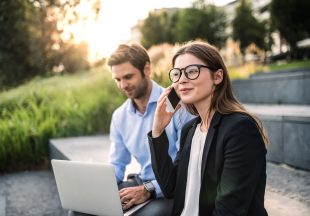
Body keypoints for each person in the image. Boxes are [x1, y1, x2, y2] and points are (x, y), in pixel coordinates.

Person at [148, 41, 269, 216]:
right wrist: (158, 131)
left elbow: (229, 210)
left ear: (217, 77)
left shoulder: (240, 129)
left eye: (191, 71)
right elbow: (170, 188)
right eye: (177, 73)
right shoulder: (190, 130)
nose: (182, 79)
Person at [106, 43, 193, 214]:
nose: (123, 85)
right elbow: (117, 164)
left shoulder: (176, 104)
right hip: (140, 181)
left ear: (146, 69)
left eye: (128, 77)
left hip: (171, 188)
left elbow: (187, 167)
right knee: (81, 211)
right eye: (118, 79)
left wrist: (149, 189)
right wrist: (99, 186)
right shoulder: (119, 116)